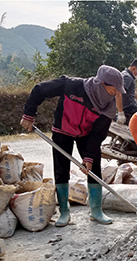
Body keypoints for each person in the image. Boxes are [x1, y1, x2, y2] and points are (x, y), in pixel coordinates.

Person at [20, 65, 125, 226]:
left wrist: (89, 157)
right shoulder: (72, 85)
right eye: (113, 90)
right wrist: (29, 114)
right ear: (100, 84)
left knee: (94, 167)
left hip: (87, 135)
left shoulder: (108, 107)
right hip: (63, 130)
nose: (115, 94)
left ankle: (96, 210)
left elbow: (97, 135)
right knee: (61, 169)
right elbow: (40, 89)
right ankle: (64, 211)